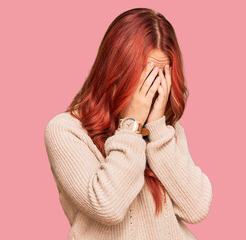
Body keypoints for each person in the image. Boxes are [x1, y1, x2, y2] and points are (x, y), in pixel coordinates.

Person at [44, 7, 213, 240]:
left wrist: (157, 129)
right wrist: (130, 127)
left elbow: (196, 208)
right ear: (116, 69)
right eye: (145, 76)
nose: (152, 87)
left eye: (160, 76)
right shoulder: (66, 130)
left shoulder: (164, 130)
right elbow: (108, 206)